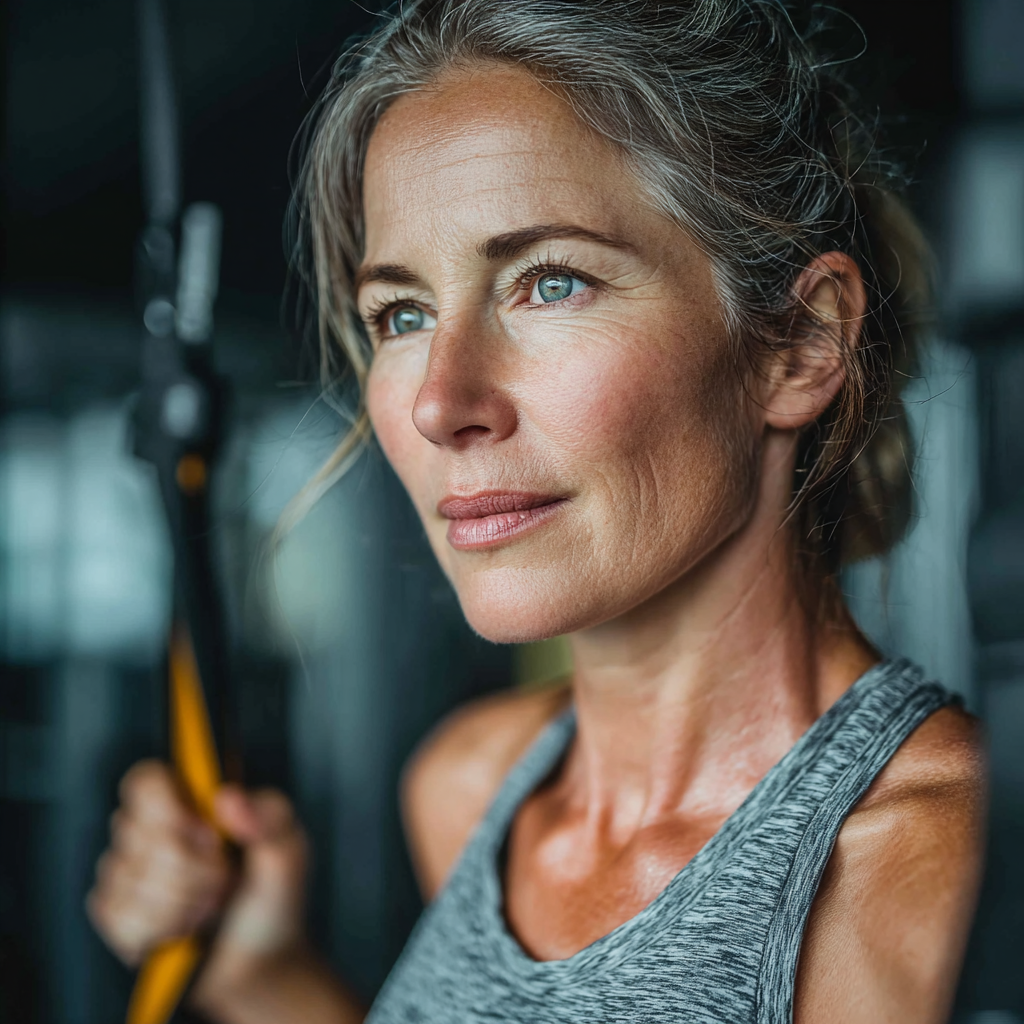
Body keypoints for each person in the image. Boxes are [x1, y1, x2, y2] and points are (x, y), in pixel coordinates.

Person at [87, 2, 986, 1021]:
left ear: (799, 342)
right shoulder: (471, 786)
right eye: (404, 314)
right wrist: (263, 973)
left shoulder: (927, 869)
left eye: (548, 283)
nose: (438, 399)